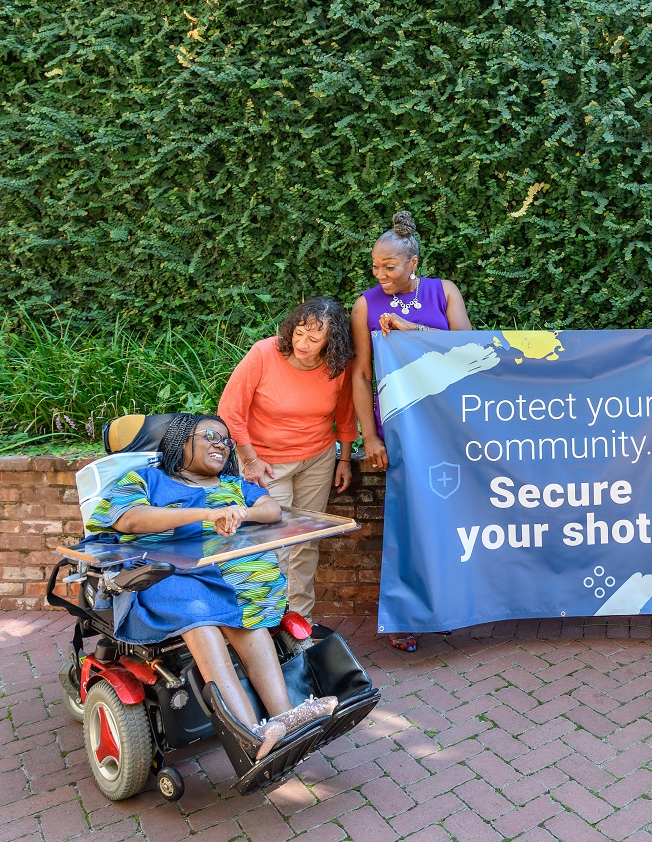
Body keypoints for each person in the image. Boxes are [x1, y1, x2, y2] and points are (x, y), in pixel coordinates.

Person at [87, 413, 336, 760]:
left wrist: (241, 512)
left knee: (246, 621)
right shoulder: (148, 479)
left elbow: (271, 508)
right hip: (167, 574)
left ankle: (284, 716)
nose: (221, 445)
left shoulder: (234, 487)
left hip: (225, 576)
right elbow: (128, 517)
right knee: (201, 618)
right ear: (180, 442)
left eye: (226, 441)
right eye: (210, 436)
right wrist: (205, 515)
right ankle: (250, 733)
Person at [351, 210, 472, 652]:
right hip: (400, 430)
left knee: (448, 520)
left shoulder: (444, 292)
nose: (380, 274)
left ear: (413, 262)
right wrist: (370, 436)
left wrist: (412, 330)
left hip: (448, 429)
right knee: (403, 523)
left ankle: (444, 608)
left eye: (390, 266)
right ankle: (403, 618)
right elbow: (362, 376)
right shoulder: (366, 304)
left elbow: (468, 351)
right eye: (375, 266)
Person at [219, 297, 357, 636]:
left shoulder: (338, 365)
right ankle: (267, 625)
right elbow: (230, 410)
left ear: (332, 341)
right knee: (273, 542)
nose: (302, 344)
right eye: (298, 333)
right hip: (266, 463)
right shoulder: (264, 354)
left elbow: (346, 411)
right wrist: (249, 460)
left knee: (307, 540)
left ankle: (300, 621)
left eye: (314, 339)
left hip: (319, 457)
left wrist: (344, 458)